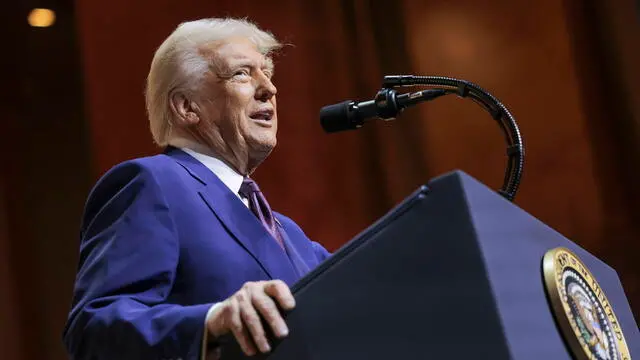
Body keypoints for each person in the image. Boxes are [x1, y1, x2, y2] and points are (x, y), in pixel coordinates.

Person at [62, 17, 331, 360]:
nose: (269, 88)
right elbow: (94, 329)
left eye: (267, 73)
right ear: (187, 106)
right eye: (242, 74)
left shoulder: (290, 233)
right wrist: (210, 323)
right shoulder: (151, 184)